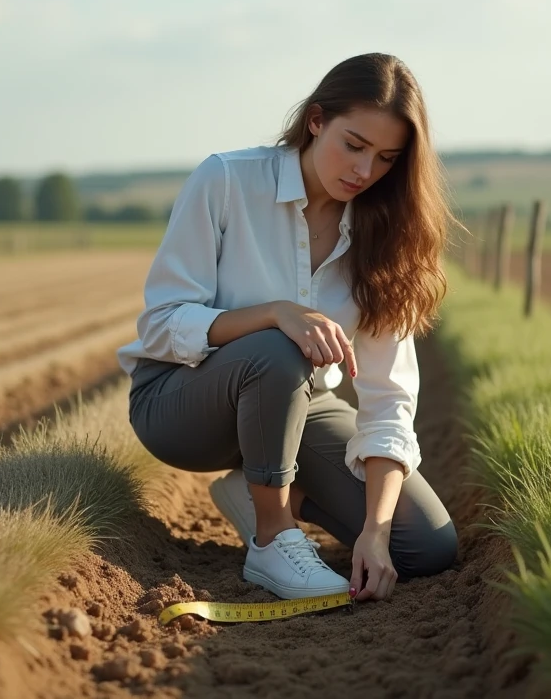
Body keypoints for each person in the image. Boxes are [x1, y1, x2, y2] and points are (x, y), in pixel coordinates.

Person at [116, 52, 459, 603]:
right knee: (281, 349)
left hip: (300, 407)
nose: (364, 171)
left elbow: (389, 394)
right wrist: (276, 312)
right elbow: (160, 325)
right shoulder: (226, 180)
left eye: (386, 158)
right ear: (316, 120)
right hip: (182, 401)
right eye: (353, 145)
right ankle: (273, 538)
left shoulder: (385, 233)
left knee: (425, 546)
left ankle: (262, 494)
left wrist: (374, 531)